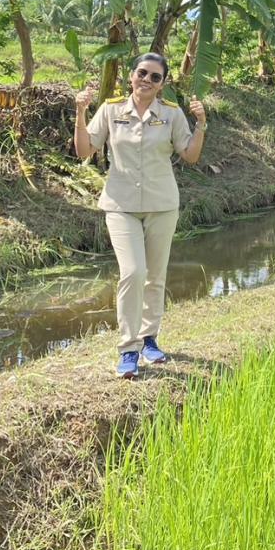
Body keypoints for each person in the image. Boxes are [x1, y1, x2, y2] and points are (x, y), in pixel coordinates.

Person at [74, 53, 207, 379]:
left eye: (155, 77)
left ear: (163, 84)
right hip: (121, 206)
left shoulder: (172, 115)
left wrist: (201, 123)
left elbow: (189, 155)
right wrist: (80, 111)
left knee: (155, 276)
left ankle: (149, 339)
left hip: (162, 205)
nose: (147, 80)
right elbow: (83, 151)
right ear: (131, 76)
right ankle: (128, 349)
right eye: (142, 73)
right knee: (132, 273)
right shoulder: (110, 110)